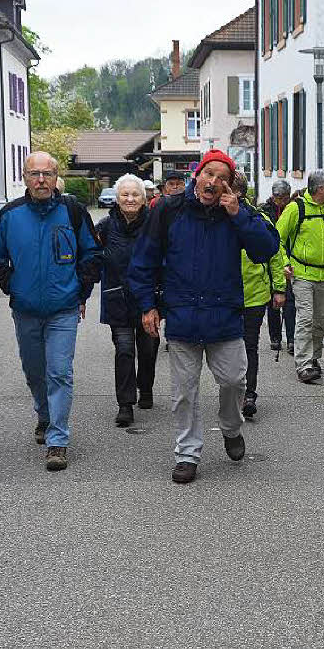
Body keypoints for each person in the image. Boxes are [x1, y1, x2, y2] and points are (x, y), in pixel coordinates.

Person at [128, 149, 279, 484]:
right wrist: (147, 306)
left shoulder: (237, 212)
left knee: (234, 381)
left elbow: (266, 249)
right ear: (196, 176)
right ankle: (187, 453)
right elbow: (143, 261)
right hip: (182, 316)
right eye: (209, 174)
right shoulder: (168, 210)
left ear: (229, 185)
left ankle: (230, 427)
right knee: (184, 392)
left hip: (224, 316)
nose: (214, 181)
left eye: (222, 177)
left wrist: (239, 215)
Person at [0, 151, 102, 472]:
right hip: (25, 309)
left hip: (63, 309)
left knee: (60, 372)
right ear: (24, 177)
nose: (41, 180)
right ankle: (44, 415)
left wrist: (81, 290)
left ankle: (58, 441)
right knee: (34, 372)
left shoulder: (74, 212)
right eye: (34, 174)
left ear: (55, 178)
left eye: (47, 174)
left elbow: (93, 254)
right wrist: (12, 284)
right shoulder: (11, 215)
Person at [276, 169, 324, 384]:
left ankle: (314, 358)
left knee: (320, 321)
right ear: (321, 189)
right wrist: (285, 262)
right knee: (305, 319)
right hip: (302, 273)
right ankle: (303, 364)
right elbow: (277, 238)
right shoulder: (295, 208)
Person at [96, 173, 158, 428]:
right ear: (117, 198)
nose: (130, 198)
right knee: (124, 350)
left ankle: (146, 387)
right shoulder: (105, 227)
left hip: (148, 300)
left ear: (144, 199)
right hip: (117, 298)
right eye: (125, 194)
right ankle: (125, 404)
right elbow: (90, 257)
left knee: (147, 349)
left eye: (135, 195)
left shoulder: (154, 225)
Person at [232, 171, 287, 419]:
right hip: (224, 295)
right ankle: (233, 391)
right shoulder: (213, 220)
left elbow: (275, 255)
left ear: (240, 193)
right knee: (227, 349)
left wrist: (278, 288)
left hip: (254, 295)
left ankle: (249, 394)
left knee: (249, 345)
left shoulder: (258, 218)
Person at [260, 179, 295, 354]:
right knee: (273, 300)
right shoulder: (264, 211)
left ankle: (291, 338)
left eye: (283, 197)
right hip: (271, 258)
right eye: (277, 197)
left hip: (289, 258)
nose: (280, 200)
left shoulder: (293, 209)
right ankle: (275, 337)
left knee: (289, 301)